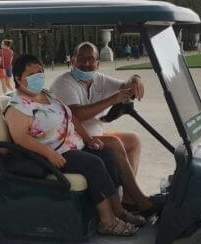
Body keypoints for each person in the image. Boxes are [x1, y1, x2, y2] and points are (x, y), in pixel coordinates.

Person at [4, 53, 143, 236]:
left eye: (40, 71)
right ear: (17, 77)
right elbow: (21, 138)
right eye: (31, 74)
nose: (37, 77)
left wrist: (88, 139)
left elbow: (70, 116)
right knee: (94, 165)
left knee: (107, 155)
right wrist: (49, 154)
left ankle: (119, 210)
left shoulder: (45, 94)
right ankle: (107, 221)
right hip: (52, 154)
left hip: (72, 146)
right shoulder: (17, 107)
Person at [50, 42, 157, 215]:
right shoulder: (64, 83)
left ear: (97, 63)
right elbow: (77, 115)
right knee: (114, 143)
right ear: (72, 61)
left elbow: (125, 86)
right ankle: (141, 201)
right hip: (75, 140)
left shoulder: (99, 79)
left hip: (95, 135)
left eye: (90, 59)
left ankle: (129, 200)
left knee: (133, 140)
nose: (86, 63)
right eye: (81, 59)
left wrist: (135, 78)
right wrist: (111, 100)